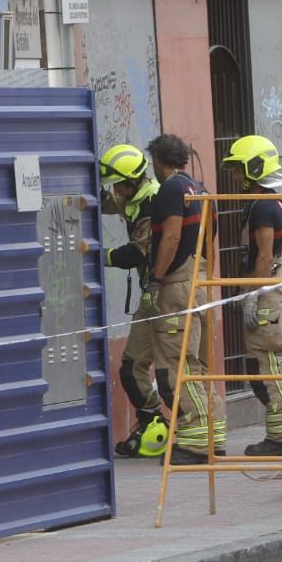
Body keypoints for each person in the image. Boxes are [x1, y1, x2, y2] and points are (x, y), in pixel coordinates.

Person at [145, 133, 225, 460]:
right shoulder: (201, 188)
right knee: (201, 364)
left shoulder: (169, 190)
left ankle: (193, 441)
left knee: (180, 364)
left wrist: (156, 277)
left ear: (158, 162)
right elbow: (209, 240)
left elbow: (173, 235)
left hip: (177, 285)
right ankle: (213, 434)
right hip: (202, 280)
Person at [222, 134, 282, 458]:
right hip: (268, 287)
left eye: (239, 169)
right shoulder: (269, 202)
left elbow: (265, 256)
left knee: (271, 364)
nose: (236, 176)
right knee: (265, 364)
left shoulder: (264, 206)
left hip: (266, 290)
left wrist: (252, 293)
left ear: (255, 168)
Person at [99, 143, 167, 459]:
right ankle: (152, 422)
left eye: (117, 182)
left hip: (160, 294)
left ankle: (154, 424)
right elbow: (108, 203)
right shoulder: (136, 197)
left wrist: (95, 257)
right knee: (138, 366)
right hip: (153, 292)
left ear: (132, 180)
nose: (115, 188)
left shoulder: (151, 203)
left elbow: (135, 254)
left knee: (132, 366)